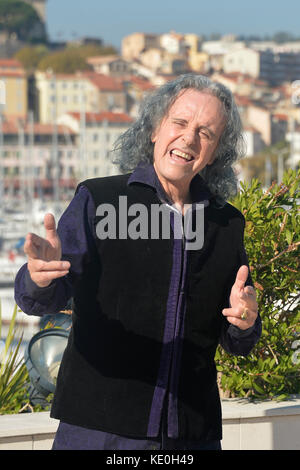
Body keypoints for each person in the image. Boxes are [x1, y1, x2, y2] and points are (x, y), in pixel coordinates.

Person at [15, 74, 261, 450]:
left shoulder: (227, 225)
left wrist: (245, 322)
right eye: (179, 123)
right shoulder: (99, 200)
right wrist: (40, 278)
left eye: (206, 133)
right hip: (99, 431)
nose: (189, 139)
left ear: (214, 153)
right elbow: (42, 299)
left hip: (192, 435)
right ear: (154, 130)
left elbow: (236, 338)